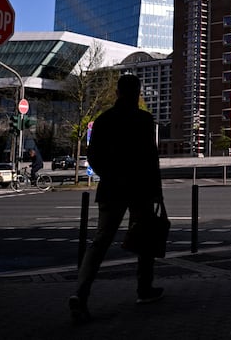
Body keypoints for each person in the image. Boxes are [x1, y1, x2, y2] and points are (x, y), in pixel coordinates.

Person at [69, 73, 164, 324]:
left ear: (117, 93)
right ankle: (144, 290)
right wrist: (157, 192)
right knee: (144, 240)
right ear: (138, 93)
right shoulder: (144, 119)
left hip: (112, 189)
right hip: (140, 189)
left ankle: (81, 293)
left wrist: (109, 175)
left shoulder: (103, 120)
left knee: (100, 242)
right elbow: (150, 158)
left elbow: (92, 157)